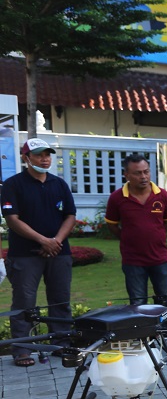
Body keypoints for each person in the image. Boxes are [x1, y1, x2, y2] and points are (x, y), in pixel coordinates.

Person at [2, 139, 76, 367]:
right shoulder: (13, 185)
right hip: (25, 254)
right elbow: (12, 219)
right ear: (26, 158)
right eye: (38, 154)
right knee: (24, 303)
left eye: (47, 154)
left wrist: (56, 241)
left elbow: (70, 216)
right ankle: (23, 349)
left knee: (60, 300)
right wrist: (42, 240)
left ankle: (61, 343)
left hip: (59, 252)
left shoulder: (59, 184)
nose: (45, 158)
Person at [105, 154, 167, 353]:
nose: (143, 176)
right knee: (138, 303)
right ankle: (144, 341)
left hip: (159, 258)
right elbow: (113, 226)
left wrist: (153, 236)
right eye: (137, 173)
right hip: (133, 261)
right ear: (126, 175)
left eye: (146, 172)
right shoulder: (117, 198)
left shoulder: (162, 195)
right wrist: (131, 238)